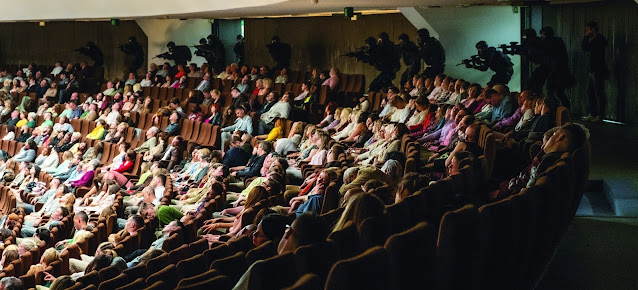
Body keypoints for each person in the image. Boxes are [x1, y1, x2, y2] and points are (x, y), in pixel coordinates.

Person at [581, 21, 608, 123]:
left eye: (588, 29)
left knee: (599, 92)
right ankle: (593, 113)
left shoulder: (599, 40)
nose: (586, 32)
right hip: (593, 70)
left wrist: (587, 38)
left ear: (593, 29)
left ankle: (600, 115)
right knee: (591, 92)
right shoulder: (593, 40)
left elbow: (588, 48)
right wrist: (586, 37)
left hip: (598, 70)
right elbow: (585, 48)